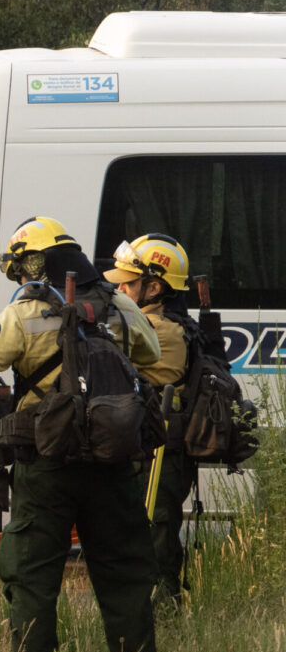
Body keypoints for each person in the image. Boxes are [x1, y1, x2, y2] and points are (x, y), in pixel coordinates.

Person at [0, 215, 161, 652]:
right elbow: (151, 353)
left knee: (32, 576)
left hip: (47, 463)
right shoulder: (120, 305)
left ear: (36, 263)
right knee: (125, 571)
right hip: (112, 463)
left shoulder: (27, 313)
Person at [104, 233, 196, 605]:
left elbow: (110, 352)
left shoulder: (164, 330)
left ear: (154, 286)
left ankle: (164, 608)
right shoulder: (148, 320)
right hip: (150, 445)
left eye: (127, 282)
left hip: (164, 451)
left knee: (156, 530)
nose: (119, 288)